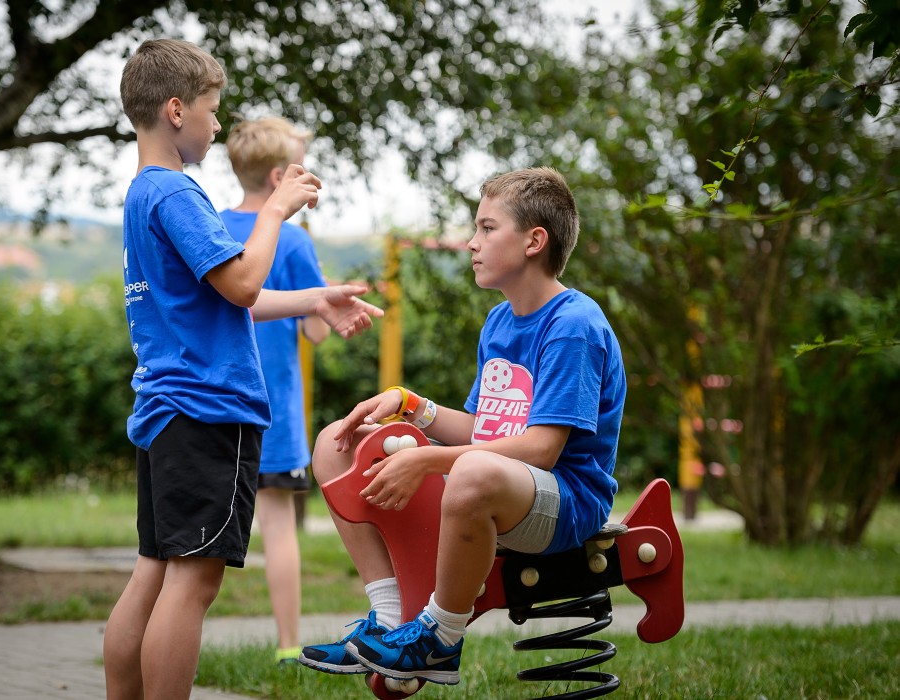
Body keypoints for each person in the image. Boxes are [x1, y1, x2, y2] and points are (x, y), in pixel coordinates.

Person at [105, 39, 382, 700]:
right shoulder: (178, 193)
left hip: (167, 409)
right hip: (208, 409)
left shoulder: (143, 194)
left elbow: (229, 298)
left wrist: (314, 298)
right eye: (211, 109)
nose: (216, 124)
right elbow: (244, 281)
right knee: (191, 582)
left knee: (153, 572)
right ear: (176, 110)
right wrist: (277, 208)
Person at [298, 167, 626, 686]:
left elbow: (540, 450)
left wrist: (427, 460)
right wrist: (409, 404)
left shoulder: (573, 326)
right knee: (335, 444)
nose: (472, 242)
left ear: (534, 242)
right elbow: (483, 429)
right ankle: (389, 618)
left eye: (487, 228)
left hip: (566, 501)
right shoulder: (499, 322)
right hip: (500, 483)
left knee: (472, 471)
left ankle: (440, 638)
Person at [219, 116, 329, 665]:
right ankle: (288, 647)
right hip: (273, 414)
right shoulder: (293, 240)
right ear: (279, 178)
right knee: (279, 529)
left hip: (213, 407)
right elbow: (317, 329)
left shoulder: (211, 227)